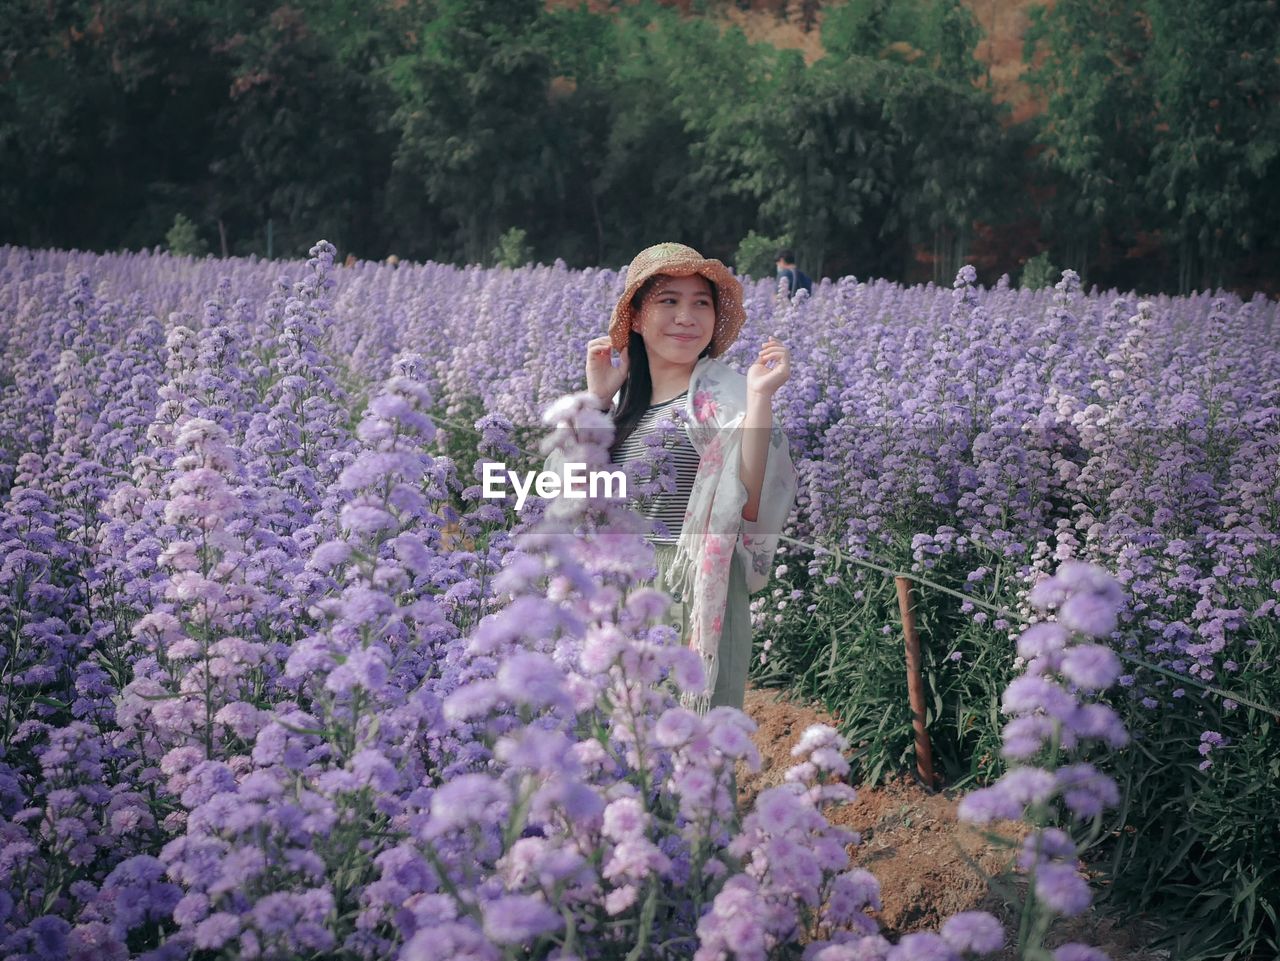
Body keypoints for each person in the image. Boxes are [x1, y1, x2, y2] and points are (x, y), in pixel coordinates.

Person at [584, 242, 797, 712]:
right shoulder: (625, 408)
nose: (687, 316)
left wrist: (760, 398)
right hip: (621, 595)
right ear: (637, 318)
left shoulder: (725, 397)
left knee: (694, 757)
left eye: (701, 303)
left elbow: (748, 505)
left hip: (696, 591)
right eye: (669, 301)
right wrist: (597, 401)